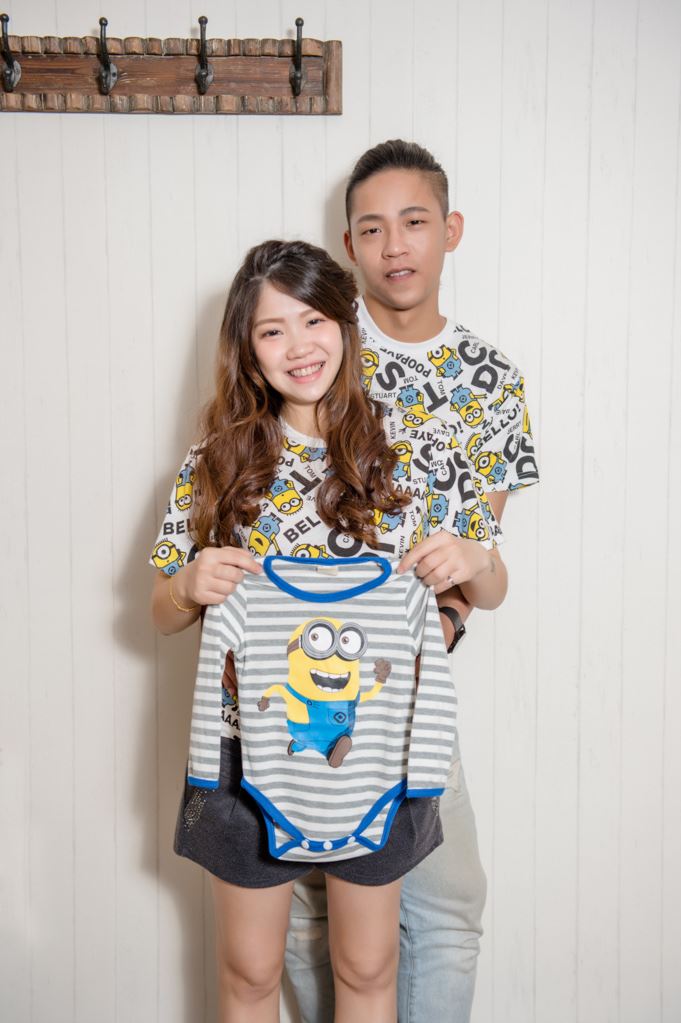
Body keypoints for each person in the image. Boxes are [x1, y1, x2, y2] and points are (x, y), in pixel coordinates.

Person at [149, 238, 508, 1023]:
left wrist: (474, 558)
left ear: (344, 324)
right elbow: (161, 610)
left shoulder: (410, 449)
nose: (297, 345)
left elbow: (492, 584)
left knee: (367, 963)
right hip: (246, 746)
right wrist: (185, 585)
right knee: (248, 969)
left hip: (376, 746)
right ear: (247, 348)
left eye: (312, 319)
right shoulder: (218, 462)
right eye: (271, 330)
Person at [284, 141, 540, 1023]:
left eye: (414, 222)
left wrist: (454, 612)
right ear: (348, 245)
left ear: (449, 231)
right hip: (306, 685)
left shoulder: (492, 382)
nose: (394, 245)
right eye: (371, 228)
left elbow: (481, 560)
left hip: (414, 689)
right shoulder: (317, 352)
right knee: (310, 914)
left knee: (446, 907)